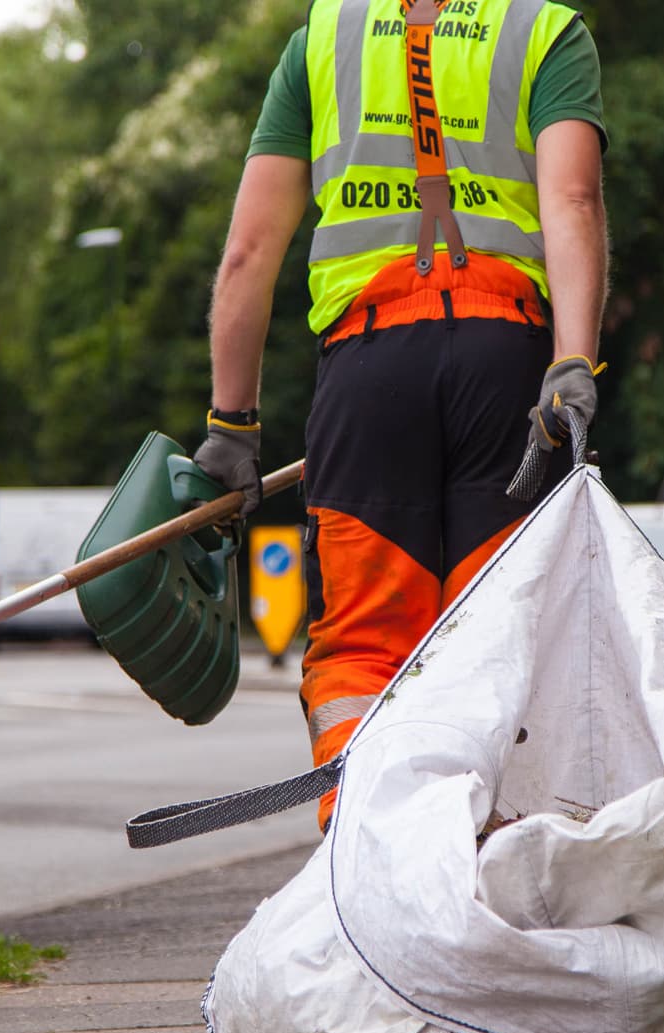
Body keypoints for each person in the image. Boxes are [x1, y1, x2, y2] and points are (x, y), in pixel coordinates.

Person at [196, 0, 608, 826]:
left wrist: (231, 425)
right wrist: (570, 362)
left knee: (362, 647)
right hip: (507, 372)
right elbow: (574, 202)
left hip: (369, 370)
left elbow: (248, 251)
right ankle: (500, 863)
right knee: (499, 634)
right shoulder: (542, 32)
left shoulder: (322, 41)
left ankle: (369, 861)